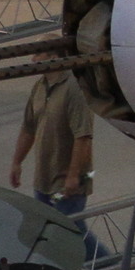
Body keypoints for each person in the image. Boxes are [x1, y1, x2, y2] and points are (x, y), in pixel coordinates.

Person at [9, 40, 105, 258]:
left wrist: (73, 176)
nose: (33, 59)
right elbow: (28, 128)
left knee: (68, 233)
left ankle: (108, 265)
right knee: (58, 233)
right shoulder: (39, 86)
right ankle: (106, 265)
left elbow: (83, 137)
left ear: (53, 57)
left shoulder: (75, 89)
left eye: (38, 54)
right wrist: (17, 162)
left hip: (68, 182)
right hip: (44, 180)